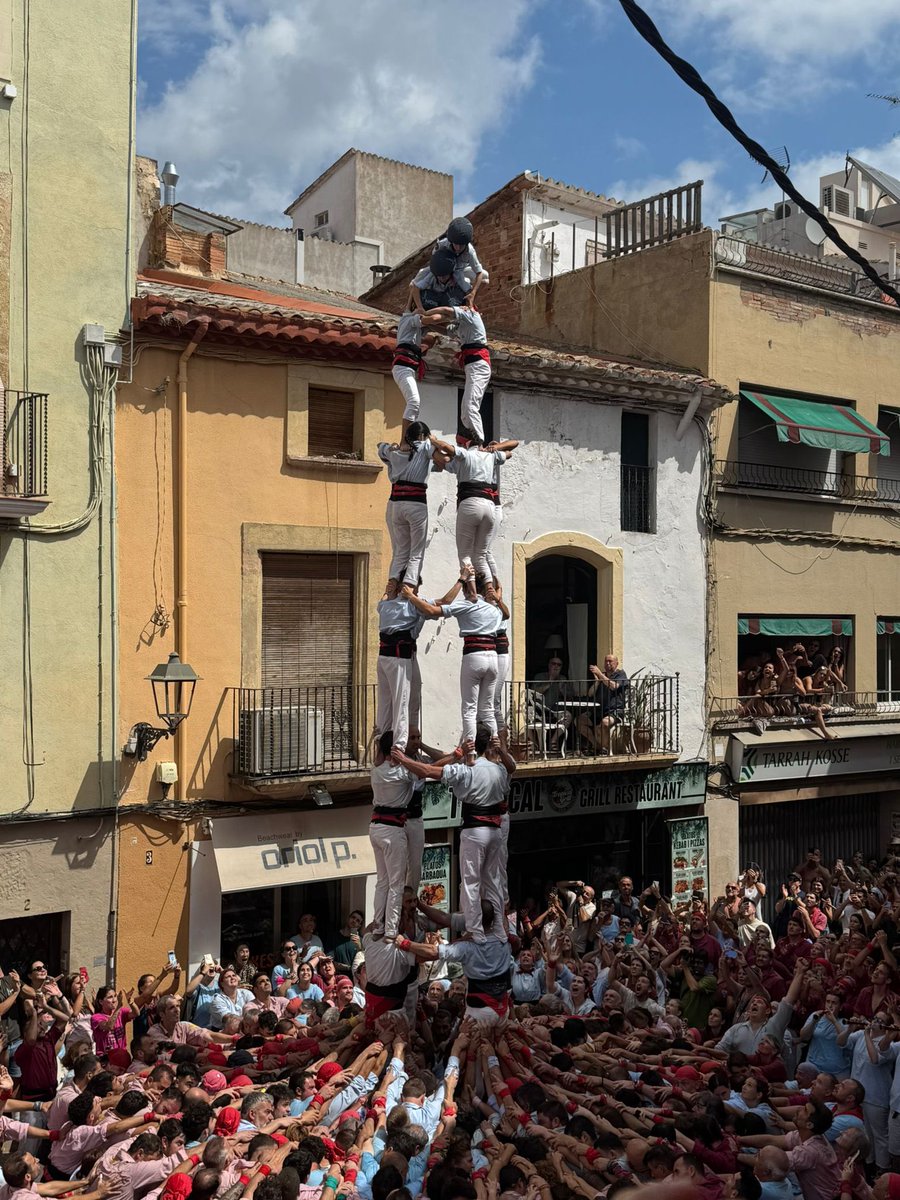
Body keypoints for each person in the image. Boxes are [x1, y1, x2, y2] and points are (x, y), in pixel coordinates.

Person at [394, 728, 514, 943]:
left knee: (471, 881)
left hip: (475, 829)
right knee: (494, 880)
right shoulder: (498, 769)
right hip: (495, 831)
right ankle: (497, 926)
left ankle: (476, 929)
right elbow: (510, 769)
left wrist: (403, 759)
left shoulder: (467, 771)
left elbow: (428, 772)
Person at [403, 569, 503, 744]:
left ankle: (470, 752)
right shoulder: (494, 610)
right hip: (493, 657)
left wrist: (411, 597)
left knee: (469, 709)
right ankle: (496, 747)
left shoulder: (465, 605)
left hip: (474, 655)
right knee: (487, 709)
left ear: (467, 589)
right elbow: (506, 614)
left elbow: (437, 608)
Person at [443, 440, 514, 584]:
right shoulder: (487, 458)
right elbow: (510, 452)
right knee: (481, 554)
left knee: (476, 554)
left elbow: (511, 449)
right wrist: (495, 449)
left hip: (483, 505)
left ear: (467, 443)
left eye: (461, 443)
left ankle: (483, 589)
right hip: (490, 507)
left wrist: (494, 448)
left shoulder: (474, 456)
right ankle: (490, 589)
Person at [377, 423, 439, 589]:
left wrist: (393, 447)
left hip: (396, 504)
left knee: (400, 551)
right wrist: (434, 441)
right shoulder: (425, 446)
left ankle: (391, 588)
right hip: (416, 503)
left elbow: (380, 447)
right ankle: (409, 590)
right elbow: (442, 456)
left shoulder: (395, 453)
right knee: (416, 553)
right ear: (422, 436)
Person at [420, 304, 492, 445]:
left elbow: (446, 310)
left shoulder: (471, 315)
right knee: (465, 411)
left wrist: (425, 313)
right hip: (473, 366)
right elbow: (446, 331)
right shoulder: (461, 324)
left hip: (479, 365)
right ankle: (473, 440)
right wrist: (429, 326)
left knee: (470, 405)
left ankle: (480, 443)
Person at [369, 730, 415, 942]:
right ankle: (389, 930)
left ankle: (379, 925)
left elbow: (379, 756)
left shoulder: (376, 770)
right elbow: (428, 771)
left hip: (376, 826)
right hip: (393, 829)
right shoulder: (403, 772)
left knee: (382, 881)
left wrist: (381, 741)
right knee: (396, 884)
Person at [577, 655, 629, 754]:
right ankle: (597, 745)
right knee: (579, 721)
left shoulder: (620, 674)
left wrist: (600, 674)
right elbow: (590, 694)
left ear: (616, 663)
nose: (607, 663)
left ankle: (605, 749)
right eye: (606, 661)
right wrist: (597, 682)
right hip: (598, 710)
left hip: (615, 711)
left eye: (610, 661)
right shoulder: (602, 676)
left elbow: (614, 686)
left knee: (605, 723)